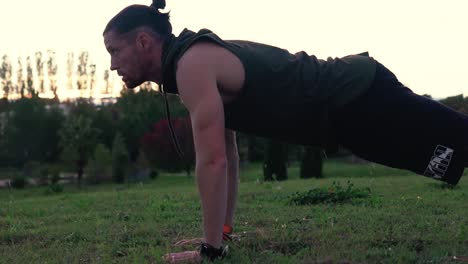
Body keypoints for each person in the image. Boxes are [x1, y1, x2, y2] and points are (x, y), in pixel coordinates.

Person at [103, 0, 468, 261]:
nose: (112, 64)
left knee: (459, 140)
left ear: (144, 42)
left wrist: (209, 252)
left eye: (114, 51)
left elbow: (212, 162)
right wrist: (221, 237)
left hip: (357, 93)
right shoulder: (190, 65)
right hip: (347, 116)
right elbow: (226, 156)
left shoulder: (191, 65)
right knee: (445, 155)